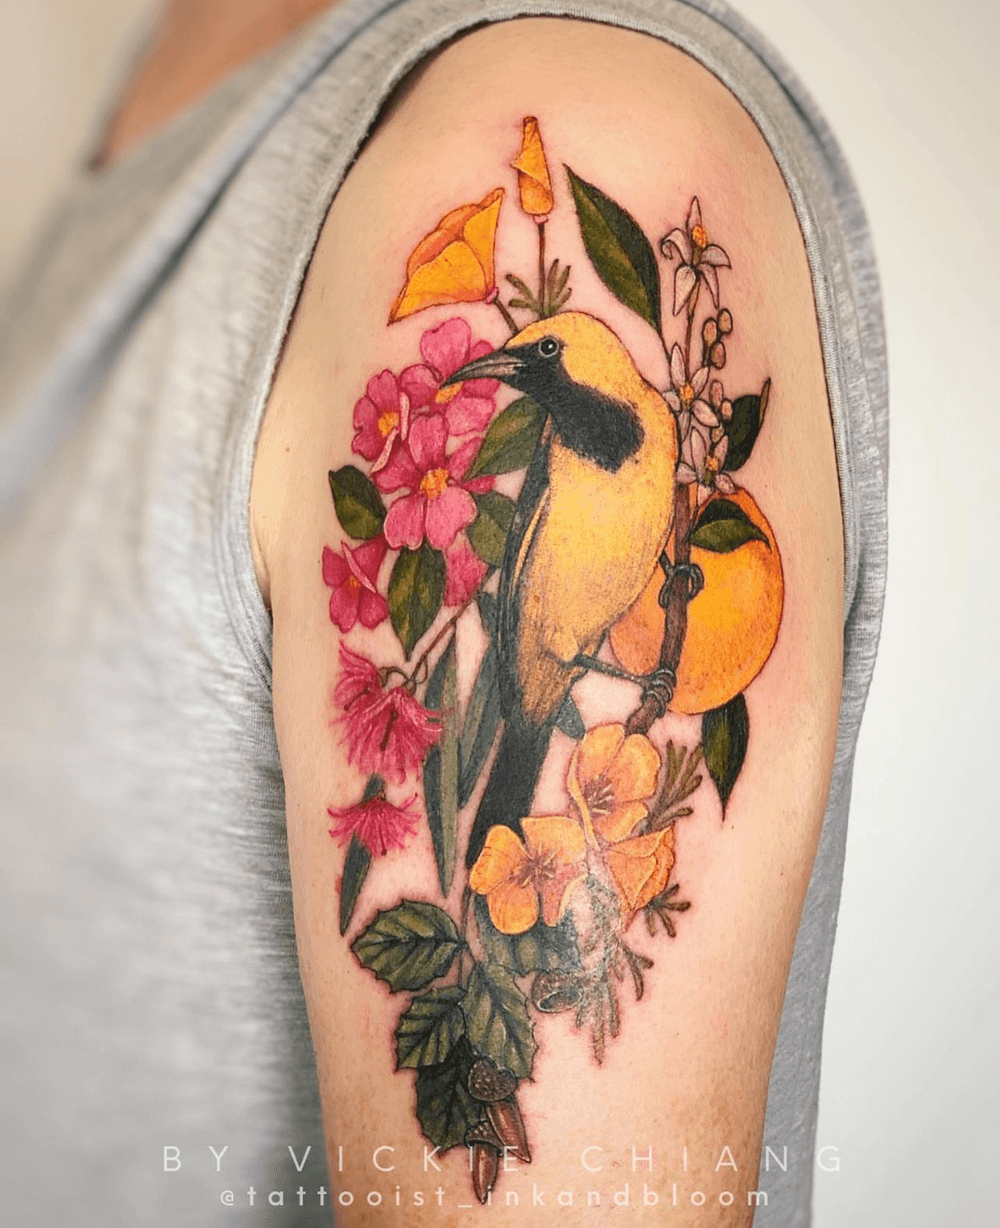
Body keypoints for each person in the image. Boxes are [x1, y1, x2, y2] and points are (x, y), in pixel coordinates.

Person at [0, 1, 887, 1224]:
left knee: (508, 809)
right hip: (545, 641)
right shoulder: (180, 66)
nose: (515, 376)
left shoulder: (585, 117)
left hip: (565, 651)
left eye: (534, 366)